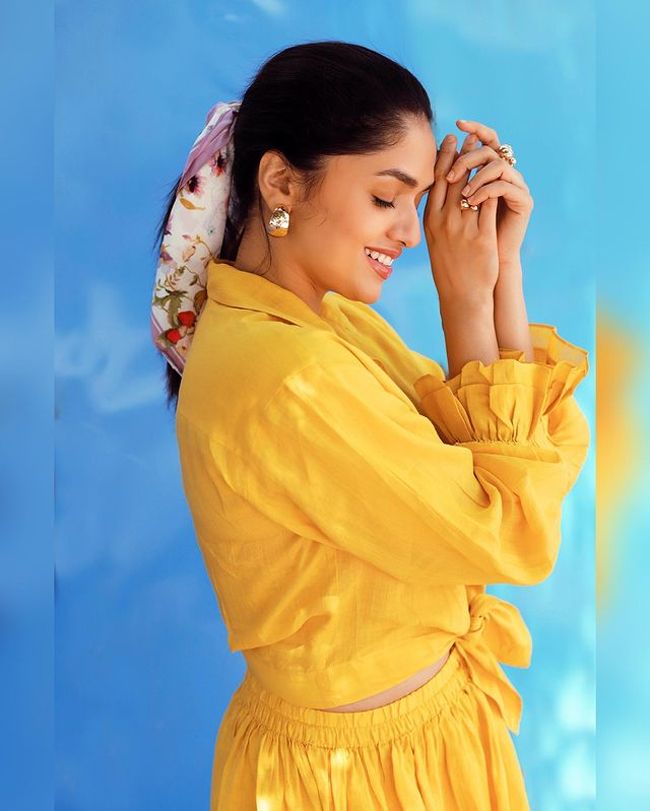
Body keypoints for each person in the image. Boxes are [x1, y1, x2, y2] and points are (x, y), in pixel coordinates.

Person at [151, 40, 590, 811]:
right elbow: (508, 525)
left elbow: (479, 458)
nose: (412, 234)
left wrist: (499, 274)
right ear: (282, 182)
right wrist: (466, 299)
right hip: (359, 780)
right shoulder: (291, 377)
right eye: (388, 198)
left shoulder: (318, 321)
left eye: (417, 202)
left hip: (417, 743)